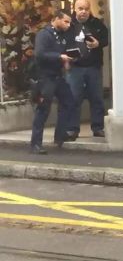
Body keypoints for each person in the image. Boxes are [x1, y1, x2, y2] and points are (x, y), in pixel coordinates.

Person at [30, 10, 78, 154]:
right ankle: (36, 144)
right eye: (66, 21)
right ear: (56, 19)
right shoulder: (44, 34)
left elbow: (63, 51)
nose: (68, 25)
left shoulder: (62, 36)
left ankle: (60, 136)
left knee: (69, 102)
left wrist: (67, 60)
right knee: (43, 109)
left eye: (69, 22)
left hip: (58, 76)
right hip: (46, 77)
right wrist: (59, 57)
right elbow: (40, 54)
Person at [66, 0, 110, 138]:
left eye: (86, 8)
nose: (83, 11)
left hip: (93, 67)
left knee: (96, 98)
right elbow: (61, 42)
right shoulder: (69, 25)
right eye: (80, 9)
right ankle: (72, 129)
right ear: (75, 9)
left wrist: (98, 43)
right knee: (74, 98)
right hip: (75, 68)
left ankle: (98, 127)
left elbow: (106, 39)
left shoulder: (97, 24)